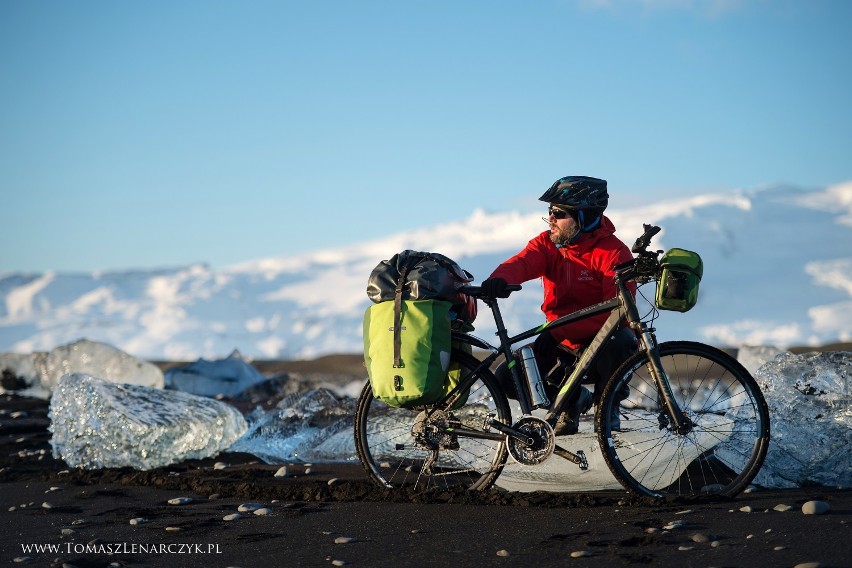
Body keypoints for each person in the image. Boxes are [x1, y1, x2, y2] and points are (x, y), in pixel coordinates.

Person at [480, 176, 637, 435]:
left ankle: (608, 409)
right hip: (562, 343)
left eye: (559, 213)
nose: (550, 219)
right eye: (549, 212)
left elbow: (616, 312)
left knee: (621, 340)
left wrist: (559, 330)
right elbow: (522, 262)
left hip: (600, 342)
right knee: (508, 377)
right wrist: (498, 279)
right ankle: (572, 403)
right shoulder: (547, 244)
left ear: (585, 217)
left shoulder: (615, 253)